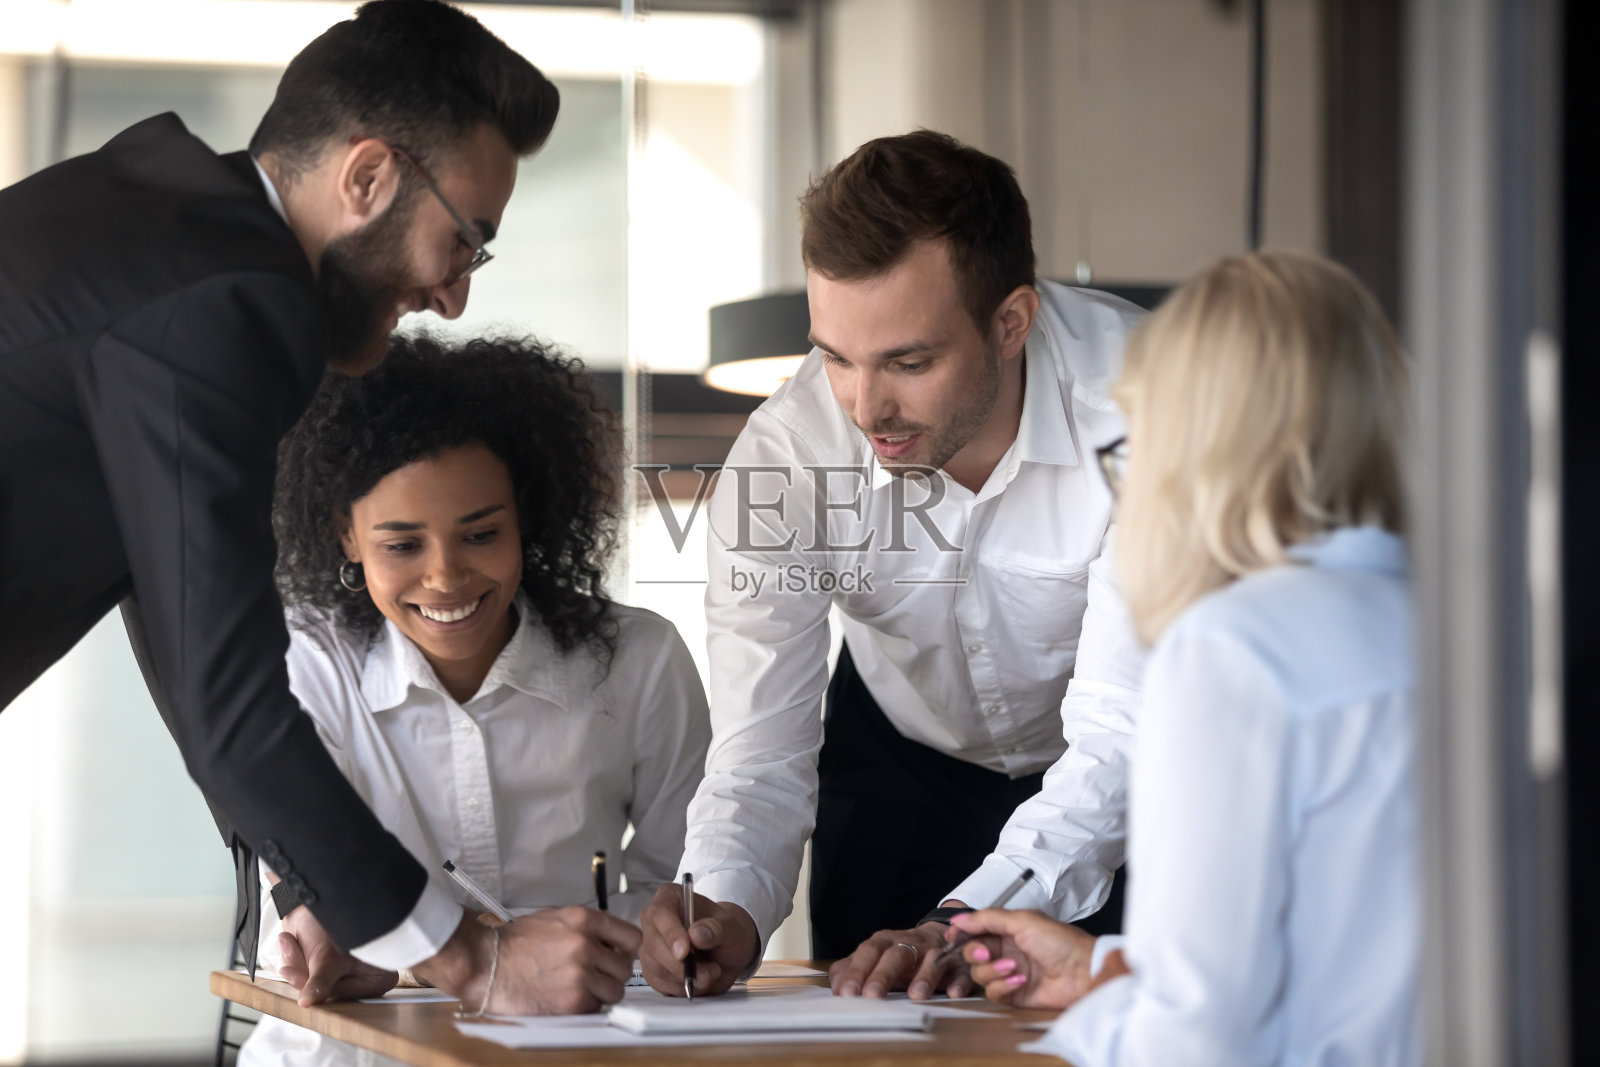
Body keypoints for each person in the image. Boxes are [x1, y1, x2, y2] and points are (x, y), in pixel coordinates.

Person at [0, 0, 571, 1009]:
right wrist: (471, 959)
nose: (454, 295)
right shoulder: (227, 301)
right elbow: (233, 704)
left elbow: (182, 636)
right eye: (465, 240)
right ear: (366, 177)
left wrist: (316, 889)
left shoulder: (167, 220)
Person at [640, 130, 1147, 1000]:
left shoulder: (1148, 405)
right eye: (836, 356)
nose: (866, 407)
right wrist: (722, 903)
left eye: (909, 362)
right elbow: (759, 746)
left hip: (1117, 780)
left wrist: (967, 922)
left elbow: (1119, 733)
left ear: (1011, 322)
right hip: (898, 762)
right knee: (868, 1020)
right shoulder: (787, 458)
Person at [952, 249, 1418, 1065]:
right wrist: (1109, 969)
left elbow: (1199, 1034)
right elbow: (1348, 952)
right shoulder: (1461, 624)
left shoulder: (1233, 650)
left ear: (1194, 447)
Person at [236, 333, 709, 1062]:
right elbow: (309, 875)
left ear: (528, 515)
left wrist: (649, 937)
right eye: (402, 545)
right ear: (347, 534)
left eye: (481, 533)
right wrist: (361, 938)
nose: (447, 577)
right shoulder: (302, 661)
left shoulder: (640, 662)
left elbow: (683, 880)